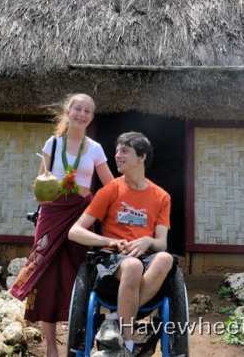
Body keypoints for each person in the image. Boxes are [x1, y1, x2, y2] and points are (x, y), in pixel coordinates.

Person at [10, 93, 114, 357]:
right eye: (77, 109)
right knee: (46, 278)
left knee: (81, 273)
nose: (81, 114)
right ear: (68, 111)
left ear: (91, 117)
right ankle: (51, 347)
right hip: (52, 215)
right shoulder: (53, 144)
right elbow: (39, 185)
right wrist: (52, 184)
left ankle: (78, 339)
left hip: (81, 218)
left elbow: (111, 187)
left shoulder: (95, 148)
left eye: (87, 111)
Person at [68, 131, 173, 356]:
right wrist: (110, 242)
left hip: (145, 259)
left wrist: (147, 240)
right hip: (111, 262)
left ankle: (115, 320)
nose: (117, 155)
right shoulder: (110, 190)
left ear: (142, 157)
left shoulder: (161, 196)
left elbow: (162, 244)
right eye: (116, 151)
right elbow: (74, 232)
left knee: (165, 258)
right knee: (132, 266)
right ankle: (126, 343)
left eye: (124, 151)